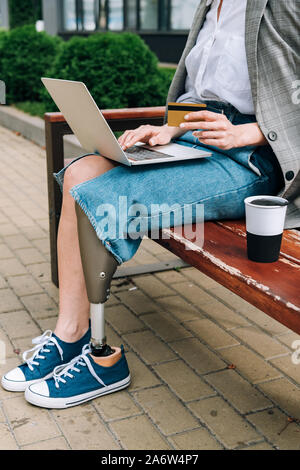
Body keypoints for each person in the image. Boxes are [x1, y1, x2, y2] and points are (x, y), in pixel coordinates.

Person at [2, 0, 299, 408]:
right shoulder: (210, 4)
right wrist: (166, 129)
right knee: (80, 173)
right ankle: (71, 333)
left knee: (106, 196)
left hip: (248, 159)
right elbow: (198, 93)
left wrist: (251, 132)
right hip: (193, 138)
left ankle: (104, 361)